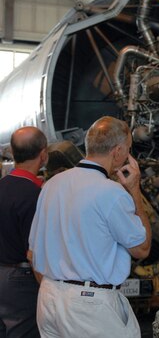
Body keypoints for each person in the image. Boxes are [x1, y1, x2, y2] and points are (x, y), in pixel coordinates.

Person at [28, 116, 151, 338]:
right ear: (117, 152)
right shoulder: (112, 193)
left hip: (48, 298)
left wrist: (57, 285)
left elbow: (33, 251)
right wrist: (134, 190)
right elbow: (142, 248)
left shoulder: (51, 185)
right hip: (88, 305)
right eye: (128, 150)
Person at [0, 127, 47, 338]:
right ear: (43, 154)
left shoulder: (2, 186)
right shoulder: (34, 195)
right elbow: (33, 253)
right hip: (21, 281)